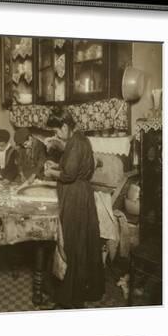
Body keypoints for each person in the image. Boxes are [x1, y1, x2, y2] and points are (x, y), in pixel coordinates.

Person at [44, 106, 104, 308]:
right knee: (81, 242)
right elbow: (72, 168)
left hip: (75, 197)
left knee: (71, 243)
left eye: (56, 131)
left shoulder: (76, 143)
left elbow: (69, 175)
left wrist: (50, 173)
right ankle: (84, 287)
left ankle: (71, 296)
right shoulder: (79, 139)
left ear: (64, 126)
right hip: (81, 194)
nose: (56, 135)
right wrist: (57, 166)